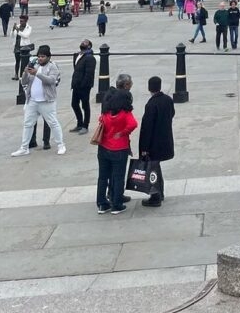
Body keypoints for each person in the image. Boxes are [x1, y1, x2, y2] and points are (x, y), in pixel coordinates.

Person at [11, 44, 67, 157]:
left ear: (48, 57)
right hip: (32, 100)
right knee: (28, 123)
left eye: (43, 56)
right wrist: (26, 72)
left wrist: (37, 73)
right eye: (39, 56)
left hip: (46, 101)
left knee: (53, 123)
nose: (40, 58)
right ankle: (24, 147)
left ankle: (61, 145)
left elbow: (51, 80)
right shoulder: (34, 64)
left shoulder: (52, 67)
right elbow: (24, 82)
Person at [95, 84, 138, 214]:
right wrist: (123, 132)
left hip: (103, 147)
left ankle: (102, 204)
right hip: (119, 148)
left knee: (103, 177)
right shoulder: (125, 114)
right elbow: (133, 124)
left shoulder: (106, 113)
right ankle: (117, 204)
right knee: (118, 177)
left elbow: (100, 120)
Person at [138, 76, 175, 208]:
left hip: (153, 143)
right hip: (165, 139)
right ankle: (161, 192)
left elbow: (147, 128)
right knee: (156, 168)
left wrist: (144, 148)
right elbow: (172, 114)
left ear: (149, 88)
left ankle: (155, 196)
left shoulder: (151, 104)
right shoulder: (168, 100)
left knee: (152, 170)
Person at [69, 40, 96, 134]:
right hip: (76, 85)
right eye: (82, 42)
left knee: (85, 105)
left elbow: (89, 73)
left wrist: (84, 84)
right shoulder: (77, 55)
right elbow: (76, 70)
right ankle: (79, 123)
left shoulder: (90, 57)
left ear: (89, 46)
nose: (82, 43)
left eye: (85, 42)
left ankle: (85, 125)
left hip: (84, 86)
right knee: (74, 104)